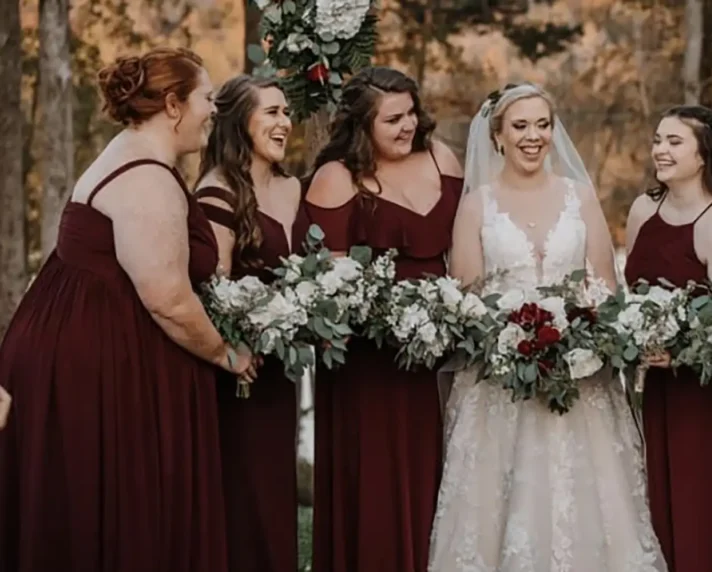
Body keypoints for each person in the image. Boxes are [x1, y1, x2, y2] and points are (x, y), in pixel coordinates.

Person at [0, 47, 253, 572]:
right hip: (93, 367)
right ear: (172, 104)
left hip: (85, 350)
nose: (214, 110)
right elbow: (169, 300)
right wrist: (228, 356)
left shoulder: (135, 153)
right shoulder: (147, 179)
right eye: (207, 98)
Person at [428, 82, 667, 571]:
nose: (533, 136)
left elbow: (604, 286)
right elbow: (466, 298)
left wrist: (581, 337)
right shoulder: (477, 205)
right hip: (499, 385)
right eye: (520, 126)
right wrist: (511, 342)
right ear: (497, 136)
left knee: (587, 503)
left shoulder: (580, 197)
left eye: (543, 125)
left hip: (580, 380)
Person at [304, 66, 463, 572]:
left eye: (412, 112)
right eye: (392, 118)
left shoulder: (442, 157)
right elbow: (326, 284)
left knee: (442, 470)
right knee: (376, 479)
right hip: (366, 362)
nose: (407, 126)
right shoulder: (337, 177)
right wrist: (384, 314)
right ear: (361, 124)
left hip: (444, 346)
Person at [623, 104, 712, 572]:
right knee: (656, 503)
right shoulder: (644, 209)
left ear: (703, 155)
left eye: (674, 141)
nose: (660, 149)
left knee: (701, 508)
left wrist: (679, 354)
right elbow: (631, 294)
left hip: (703, 397)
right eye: (658, 139)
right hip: (654, 388)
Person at [194, 74, 309, 572]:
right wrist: (235, 351)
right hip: (237, 370)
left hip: (281, 369)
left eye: (286, 112)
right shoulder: (217, 190)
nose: (285, 123)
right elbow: (213, 291)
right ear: (241, 121)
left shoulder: (293, 187)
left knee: (276, 489)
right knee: (244, 492)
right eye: (272, 113)